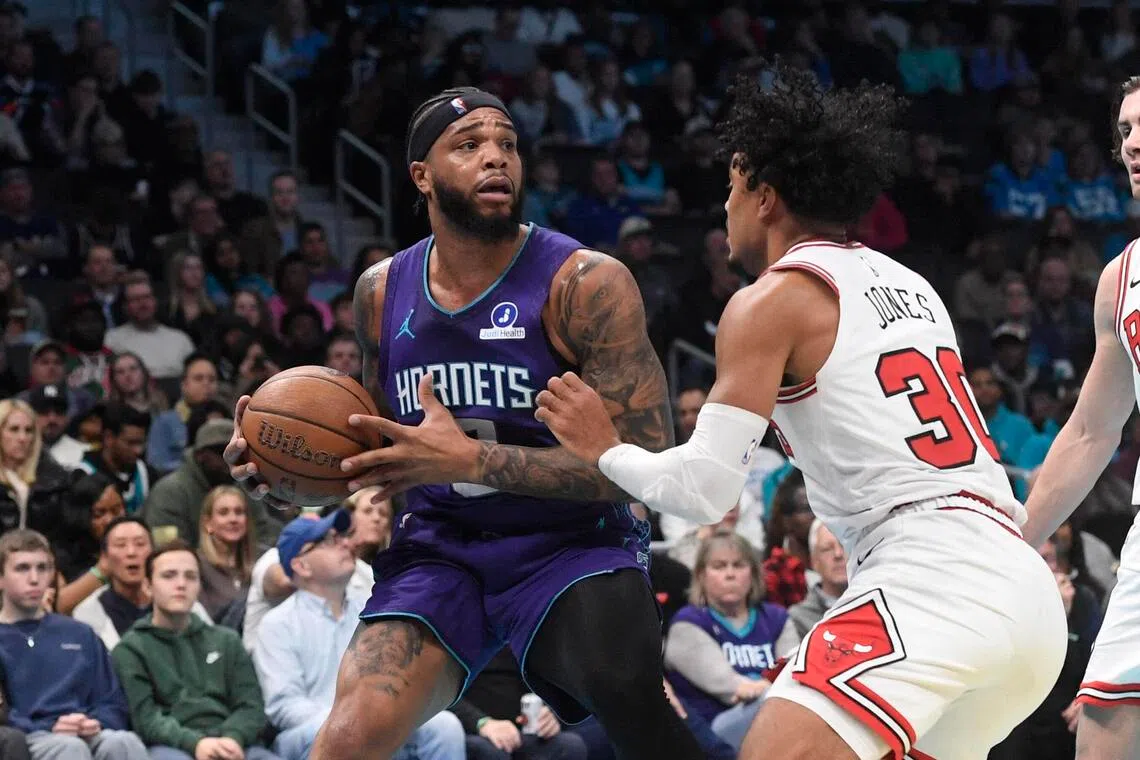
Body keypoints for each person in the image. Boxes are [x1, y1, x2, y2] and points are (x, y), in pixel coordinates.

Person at [535, 65, 1067, 760]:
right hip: (1022, 591)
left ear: (763, 194)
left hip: (930, 579)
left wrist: (603, 447)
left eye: (730, 186)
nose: (723, 206)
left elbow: (705, 490)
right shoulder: (914, 283)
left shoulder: (768, 301)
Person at [226, 86, 699, 760]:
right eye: (469, 145)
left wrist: (473, 462)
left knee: (631, 705)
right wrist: (275, 469)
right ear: (421, 175)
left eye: (506, 144)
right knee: (348, 737)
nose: (496, 158)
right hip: (444, 545)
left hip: (573, 542)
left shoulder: (586, 283)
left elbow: (651, 467)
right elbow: (370, 440)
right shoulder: (382, 290)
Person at [1020, 73, 1140, 760]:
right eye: (1124, 130)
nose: (1132, 143)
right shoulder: (1119, 280)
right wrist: (1020, 536)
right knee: (1100, 735)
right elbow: (1093, 430)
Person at [254, 512, 465, 760]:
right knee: (344, 731)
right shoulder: (277, 623)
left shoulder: (373, 610)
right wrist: (353, 717)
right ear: (301, 565)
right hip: (308, 729)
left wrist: (381, 715)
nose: (346, 543)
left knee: (445, 727)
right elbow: (285, 706)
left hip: (377, 715)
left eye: (341, 536)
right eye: (329, 541)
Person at [112, 540, 281, 760]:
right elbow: (146, 719)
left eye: (190, 576)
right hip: (171, 746)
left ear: (200, 586)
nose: (181, 584)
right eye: (169, 575)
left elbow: (252, 706)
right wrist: (196, 743)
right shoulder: (130, 649)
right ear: (147, 586)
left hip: (233, 744)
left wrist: (232, 737)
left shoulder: (227, 640)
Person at [0, 529, 149, 760]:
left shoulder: (79, 632)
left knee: (124, 741)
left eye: (43, 568)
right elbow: (4, 715)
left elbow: (111, 700)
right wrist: (52, 726)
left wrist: (94, 723)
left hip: (87, 730)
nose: (34, 578)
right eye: (22, 568)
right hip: (32, 736)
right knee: (70, 748)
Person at [664, 532, 789, 752]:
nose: (730, 574)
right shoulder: (687, 623)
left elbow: (793, 673)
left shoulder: (777, 618)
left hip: (775, 719)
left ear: (753, 573)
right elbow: (730, 686)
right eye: (719, 566)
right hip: (715, 733)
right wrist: (763, 688)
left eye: (738, 565)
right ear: (701, 575)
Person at [77, 403, 155, 515]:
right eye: (131, 443)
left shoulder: (147, 474)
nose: (138, 450)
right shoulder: (83, 476)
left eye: (141, 443)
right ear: (109, 438)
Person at [194, 485, 256, 623]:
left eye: (239, 512)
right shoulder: (197, 566)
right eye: (223, 513)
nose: (233, 519)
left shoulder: (259, 563)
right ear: (208, 523)